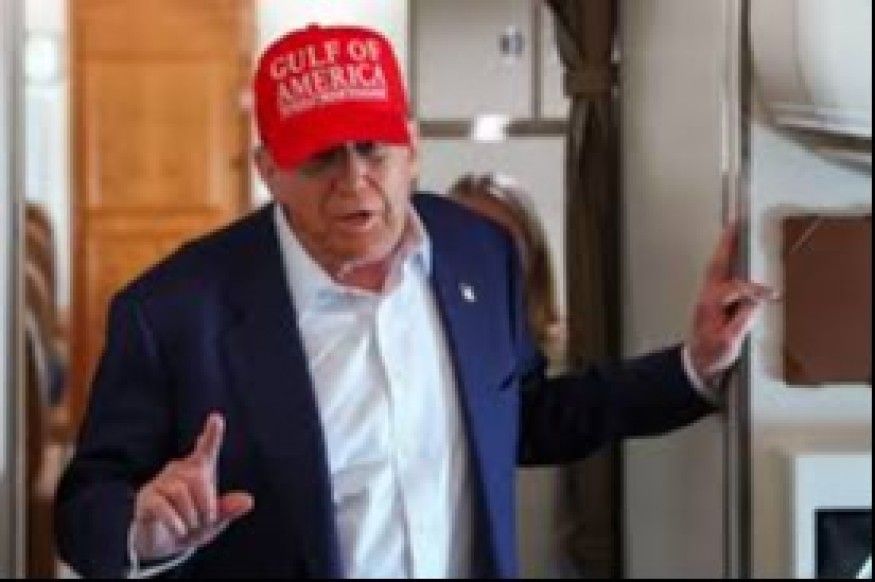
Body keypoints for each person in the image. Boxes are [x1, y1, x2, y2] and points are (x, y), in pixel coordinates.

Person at [54, 24, 774, 579]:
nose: (354, 182)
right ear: (269, 169)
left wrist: (693, 365)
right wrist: (139, 530)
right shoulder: (173, 310)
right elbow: (84, 507)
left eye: (374, 149)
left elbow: (525, 415)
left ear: (412, 148)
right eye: (321, 158)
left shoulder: (478, 252)